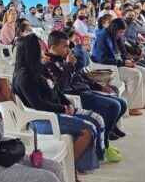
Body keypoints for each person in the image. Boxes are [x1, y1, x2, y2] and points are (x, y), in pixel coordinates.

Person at [12, 34, 101, 182]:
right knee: (87, 131)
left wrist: (66, 103)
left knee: (93, 122)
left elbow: (56, 90)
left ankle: (73, 168)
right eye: (40, 48)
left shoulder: (38, 69)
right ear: (32, 51)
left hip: (53, 112)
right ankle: (69, 171)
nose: (44, 51)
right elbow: (38, 105)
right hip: (41, 120)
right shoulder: (24, 76)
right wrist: (62, 109)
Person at [45, 31, 127, 163]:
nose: (69, 49)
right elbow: (61, 87)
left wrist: (100, 87)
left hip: (85, 90)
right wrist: (69, 65)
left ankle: (105, 139)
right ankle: (103, 147)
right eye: (65, 46)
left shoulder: (65, 59)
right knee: (113, 106)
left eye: (69, 46)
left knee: (121, 103)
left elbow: (81, 76)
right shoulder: (49, 65)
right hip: (76, 96)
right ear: (53, 47)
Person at [91, 18, 145, 116]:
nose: (122, 34)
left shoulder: (117, 36)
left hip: (117, 64)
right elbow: (102, 59)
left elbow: (123, 53)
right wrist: (123, 63)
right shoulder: (102, 37)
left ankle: (140, 103)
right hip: (107, 67)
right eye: (120, 32)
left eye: (123, 32)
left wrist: (129, 60)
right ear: (114, 29)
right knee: (135, 75)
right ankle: (131, 107)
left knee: (143, 71)